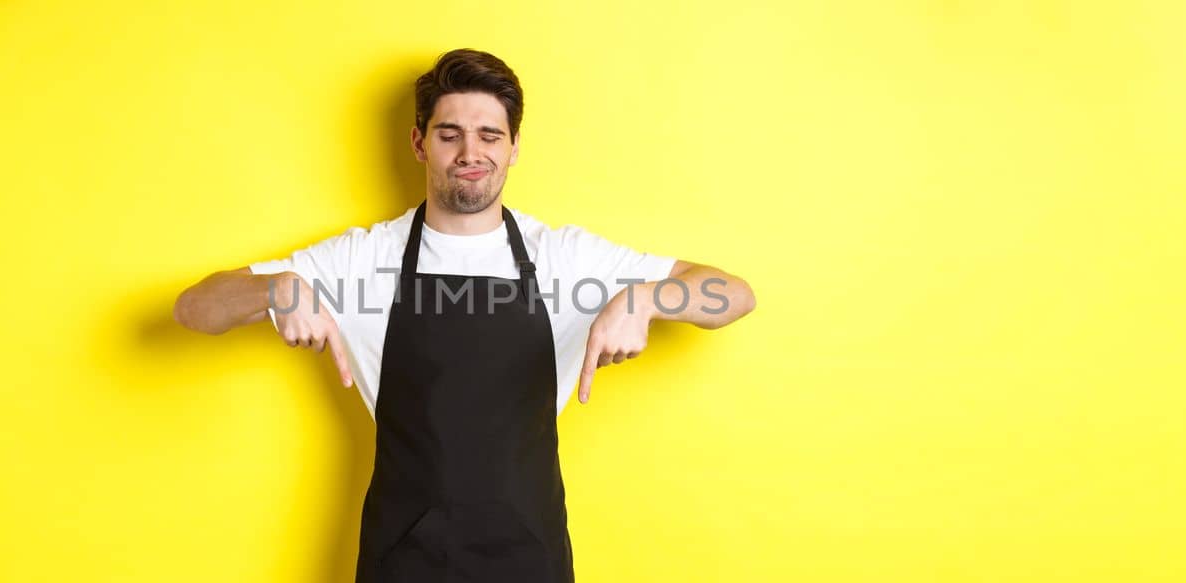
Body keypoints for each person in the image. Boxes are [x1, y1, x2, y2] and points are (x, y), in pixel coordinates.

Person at [174, 48, 755, 583]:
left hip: (529, 553)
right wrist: (278, 288)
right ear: (419, 143)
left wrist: (646, 298)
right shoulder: (363, 258)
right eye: (450, 134)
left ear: (514, 147)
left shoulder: (565, 257)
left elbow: (731, 294)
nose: (471, 153)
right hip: (403, 556)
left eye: (489, 135)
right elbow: (194, 308)